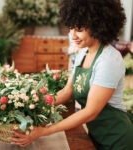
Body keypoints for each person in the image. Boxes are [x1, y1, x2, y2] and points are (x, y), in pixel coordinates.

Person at [12, 0, 133, 149]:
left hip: (118, 139)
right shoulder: (83, 52)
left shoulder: (109, 60)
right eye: (70, 28)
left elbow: (90, 112)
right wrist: (31, 104)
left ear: (98, 26)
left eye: (79, 29)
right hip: (97, 135)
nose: (73, 35)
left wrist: (43, 131)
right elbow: (67, 92)